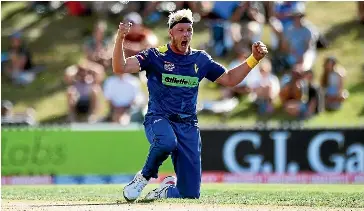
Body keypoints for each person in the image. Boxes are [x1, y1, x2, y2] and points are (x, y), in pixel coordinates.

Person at [112, 9, 267, 201]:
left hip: (188, 125)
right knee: (167, 142)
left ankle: (166, 190)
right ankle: (143, 177)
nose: (186, 34)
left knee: (190, 194)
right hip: (159, 118)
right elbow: (120, 67)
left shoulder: (200, 59)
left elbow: (230, 79)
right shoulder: (155, 56)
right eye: (181, 30)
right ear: (171, 33)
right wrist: (120, 38)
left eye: (189, 30)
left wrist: (253, 59)